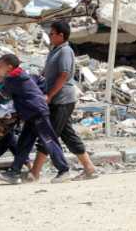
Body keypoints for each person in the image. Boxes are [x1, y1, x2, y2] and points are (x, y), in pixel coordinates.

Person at [0, 54, 71, 184]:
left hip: (36, 112)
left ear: (9, 67)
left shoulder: (12, 78)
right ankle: (14, 172)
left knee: (49, 141)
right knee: (23, 143)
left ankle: (64, 170)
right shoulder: (22, 74)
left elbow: (2, 96)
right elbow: (40, 82)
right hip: (31, 113)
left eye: (0, 66)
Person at [29, 20, 97, 182]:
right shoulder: (55, 50)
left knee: (48, 135)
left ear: (61, 35)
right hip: (57, 100)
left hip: (62, 100)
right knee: (68, 135)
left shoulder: (66, 51)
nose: (50, 36)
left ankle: (35, 173)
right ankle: (89, 168)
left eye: (52, 33)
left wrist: (50, 95)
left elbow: (64, 75)